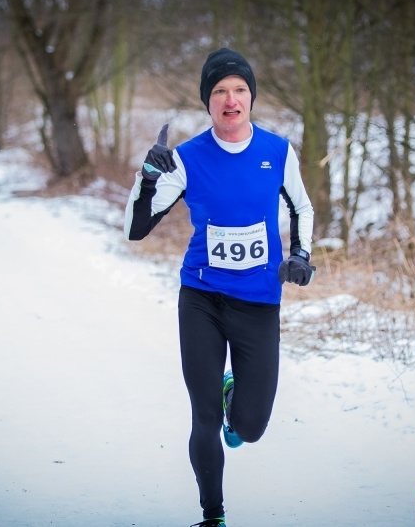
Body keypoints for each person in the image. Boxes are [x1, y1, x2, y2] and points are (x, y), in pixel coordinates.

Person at [124, 47, 315, 527]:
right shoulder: (187, 158)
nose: (231, 100)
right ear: (207, 103)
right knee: (203, 416)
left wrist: (301, 255)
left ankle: (237, 401)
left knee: (248, 426)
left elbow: (301, 208)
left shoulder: (276, 151)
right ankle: (214, 516)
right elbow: (138, 226)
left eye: (240, 91)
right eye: (220, 92)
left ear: (251, 98)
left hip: (258, 301)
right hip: (202, 298)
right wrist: (147, 177)